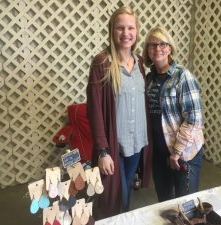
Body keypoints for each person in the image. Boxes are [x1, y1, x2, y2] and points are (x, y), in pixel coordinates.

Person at [86, 6, 151, 218]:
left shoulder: (140, 63)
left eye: (130, 28)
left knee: (125, 194)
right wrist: (103, 151)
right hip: (114, 146)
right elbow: (94, 109)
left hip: (137, 142)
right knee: (115, 197)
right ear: (112, 30)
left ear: (137, 30)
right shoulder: (102, 63)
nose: (126, 33)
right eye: (120, 28)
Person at [143, 26, 205, 202]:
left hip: (184, 154)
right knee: (164, 203)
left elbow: (194, 120)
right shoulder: (149, 79)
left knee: (184, 204)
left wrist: (176, 153)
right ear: (147, 50)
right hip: (160, 154)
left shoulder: (183, 76)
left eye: (162, 44)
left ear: (170, 48)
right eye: (152, 45)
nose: (157, 48)